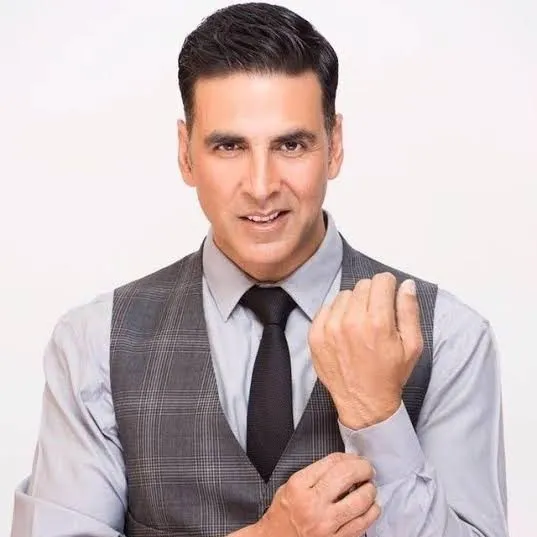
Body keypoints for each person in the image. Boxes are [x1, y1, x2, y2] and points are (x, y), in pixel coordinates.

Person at [11, 3, 508, 537]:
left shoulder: (451, 338)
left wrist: (378, 420)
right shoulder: (93, 345)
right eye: (229, 147)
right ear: (186, 154)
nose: (262, 185)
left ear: (335, 146)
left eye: (291, 145)